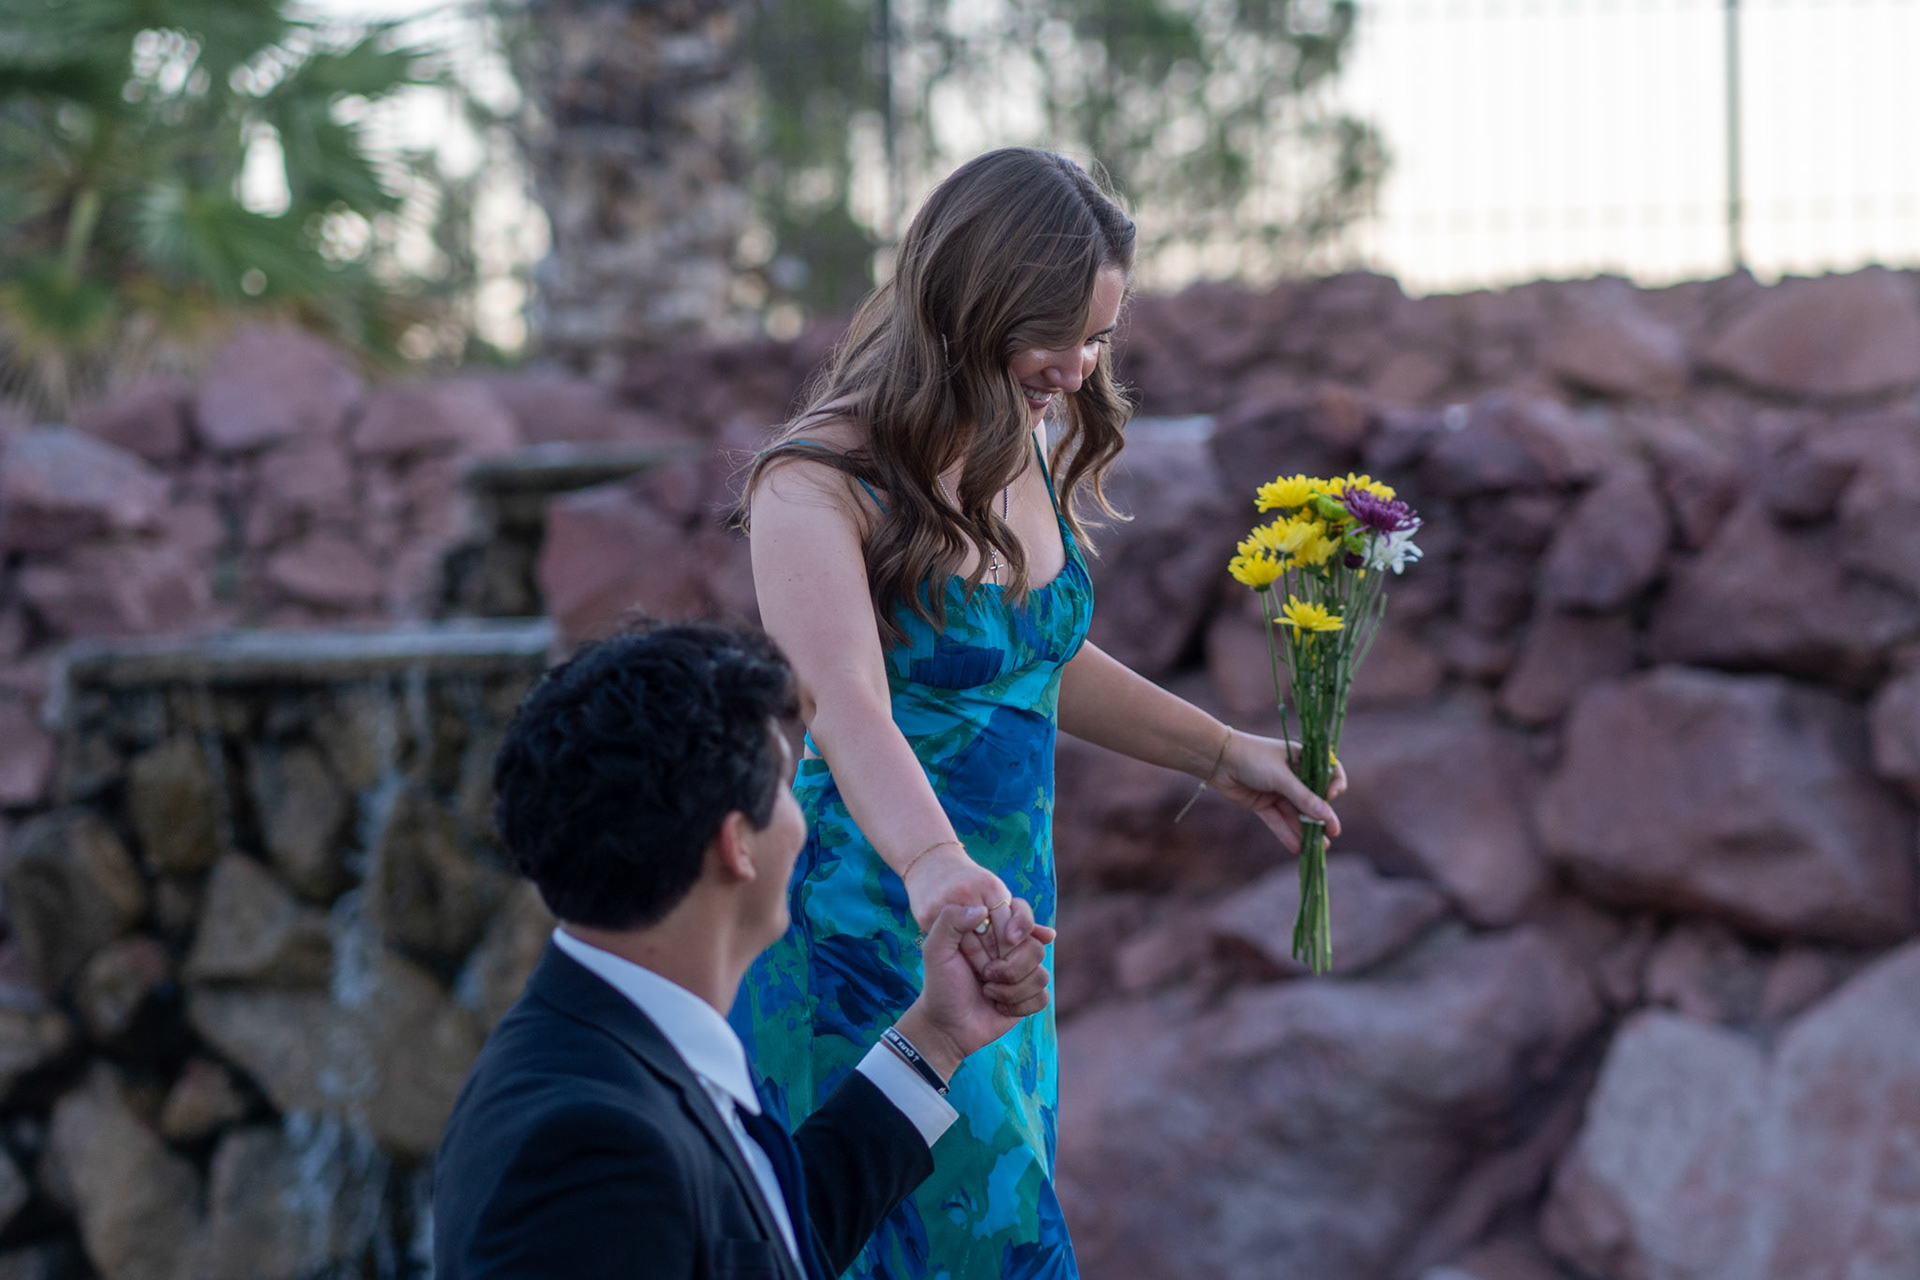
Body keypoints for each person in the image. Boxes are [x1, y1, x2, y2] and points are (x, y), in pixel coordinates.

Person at [734, 146, 1347, 1279]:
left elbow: (1032, 660)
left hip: (1005, 927)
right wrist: (935, 867)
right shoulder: (813, 483)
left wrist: (1223, 755)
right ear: (966, 306)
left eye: (1099, 337)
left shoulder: (1024, 431)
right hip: (875, 924)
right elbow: (845, 704)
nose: (1077, 368)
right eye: (1055, 336)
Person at [432, 621, 1057, 1280]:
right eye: (788, 787)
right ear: (737, 844)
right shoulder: (586, 1146)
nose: (802, 820)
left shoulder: (604, 1053)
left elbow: (758, 1240)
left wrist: (936, 1038)